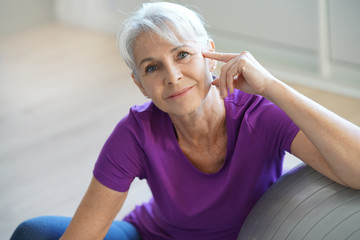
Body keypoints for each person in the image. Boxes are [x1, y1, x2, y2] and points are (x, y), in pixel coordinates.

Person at [11, 2, 360, 240]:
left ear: (209, 55)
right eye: (152, 67)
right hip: (152, 235)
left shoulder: (259, 114)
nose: (173, 76)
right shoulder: (135, 134)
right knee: (34, 232)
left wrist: (271, 86)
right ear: (140, 84)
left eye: (182, 54)